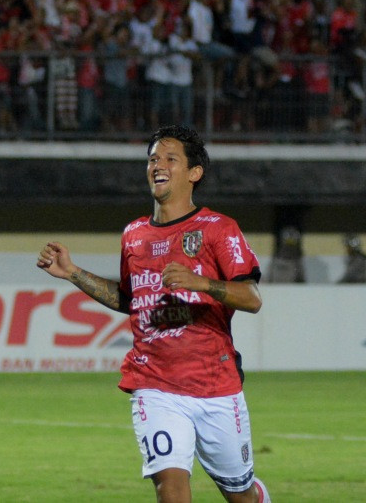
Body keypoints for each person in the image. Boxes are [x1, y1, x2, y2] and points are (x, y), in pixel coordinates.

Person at [36, 125, 271, 503]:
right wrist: (73, 273)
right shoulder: (134, 234)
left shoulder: (218, 228)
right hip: (154, 383)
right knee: (171, 490)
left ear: (194, 173)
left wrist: (201, 283)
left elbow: (252, 297)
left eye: (169, 158)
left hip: (215, 385)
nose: (157, 165)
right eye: (152, 158)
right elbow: (130, 299)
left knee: (241, 495)